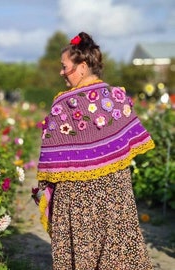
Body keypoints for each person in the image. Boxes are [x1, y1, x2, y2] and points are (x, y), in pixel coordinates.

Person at [36, 32, 155, 269]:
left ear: (81, 67)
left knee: (82, 248)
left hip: (77, 196)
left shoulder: (63, 104)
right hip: (115, 194)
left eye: (64, 67)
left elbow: (51, 153)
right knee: (117, 248)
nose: (61, 72)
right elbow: (130, 140)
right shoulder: (116, 97)